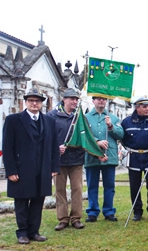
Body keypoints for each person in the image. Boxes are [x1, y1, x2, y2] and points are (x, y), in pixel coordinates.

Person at [2, 88, 60, 244]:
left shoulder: (49, 121)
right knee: (21, 201)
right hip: (21, 169)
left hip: (43, 168)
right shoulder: (13, 120)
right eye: (31, 101)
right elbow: (7, 148)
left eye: (37, 101)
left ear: (41, 103)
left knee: (38, 201)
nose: (34, 103)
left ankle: (34, 231)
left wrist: (54, 167)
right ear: (25, 102)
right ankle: (22, 233)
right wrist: (11, 170)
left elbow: (54, 146)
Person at [47, 88, 86, 231]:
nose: (75, 101)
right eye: (72, 99)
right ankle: (63, 219)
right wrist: (56, 148)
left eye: (76, 99)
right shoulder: (52, 116)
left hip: (76, 159)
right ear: (64, 99)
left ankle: (76, 218)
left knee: (77, 189)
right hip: (58, 160)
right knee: (60, 190)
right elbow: (46, 137)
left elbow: (85, 135)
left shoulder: (80, 116)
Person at [84, 95, 124, 222]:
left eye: (103, 99)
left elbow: (120, 135)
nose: (101, 101)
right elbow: (84, 135)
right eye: (98, 98)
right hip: (92, 156)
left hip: (109, 156)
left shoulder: (113, 117)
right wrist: (97, 142)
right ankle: (92, 211)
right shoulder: (86, 117)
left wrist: (111, 126)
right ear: (93, 101)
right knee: (92, 185)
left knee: (109, 186)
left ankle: (108, 211)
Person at [121, 96, 148, 221]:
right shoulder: (126, 122)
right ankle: (137, 211)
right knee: (135, 186)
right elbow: (123, 138)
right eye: (144, 106)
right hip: (134, 156)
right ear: (137, 108)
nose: (147, 109)